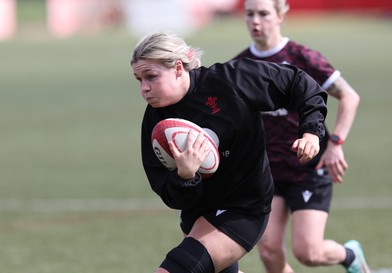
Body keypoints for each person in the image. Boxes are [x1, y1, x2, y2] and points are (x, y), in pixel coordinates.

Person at [131, 31, 328, 273]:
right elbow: (169, 193)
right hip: (198, 213)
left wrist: (311, 132)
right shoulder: (155, 122)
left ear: (179, 68)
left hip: (244, 207)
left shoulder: (230, 81)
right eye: (138, 79)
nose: (144, 88)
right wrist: (186, 176)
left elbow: (300, 84)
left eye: (151, 77)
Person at [231, 0, 369, 273]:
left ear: (281, 15)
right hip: (267, 172)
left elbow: (349, 96)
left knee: (308, 253)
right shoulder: (240, 66)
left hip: (308, 168)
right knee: (269, 249)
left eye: (263, 14)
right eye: (249, 14)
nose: (255, 21)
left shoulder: (302, 58)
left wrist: (335, 144)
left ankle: (350, 255)